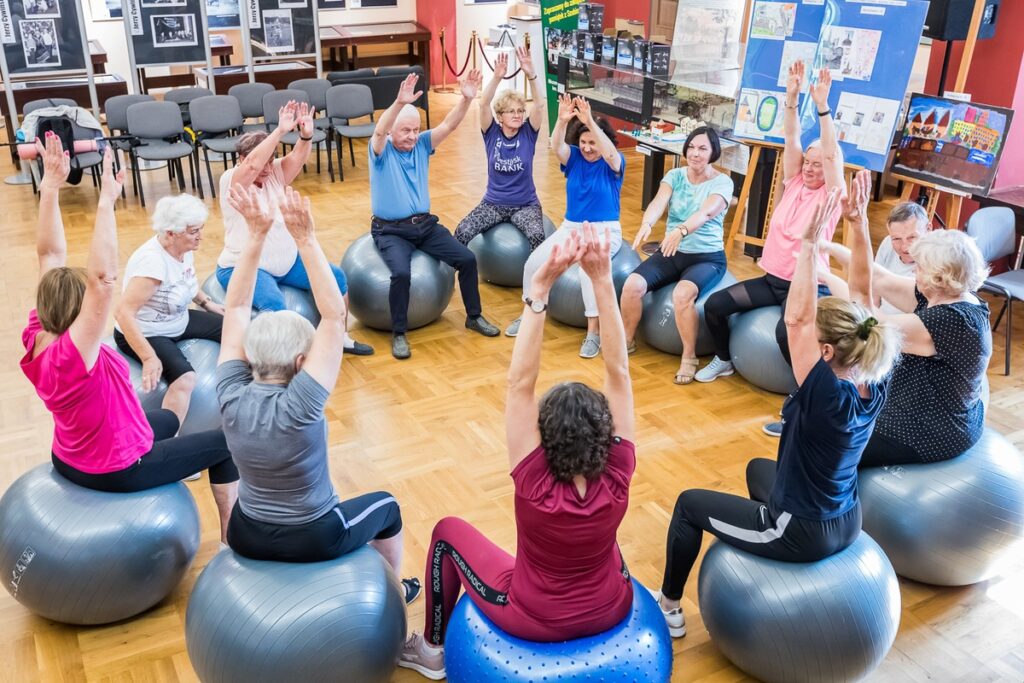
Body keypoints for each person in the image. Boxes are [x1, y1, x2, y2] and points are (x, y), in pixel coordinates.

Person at [652, 182, 900, 638]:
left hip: (801, 531)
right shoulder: (872, 377)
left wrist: (807, 246)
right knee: (755, 469)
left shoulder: (825, 393)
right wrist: (859, 223)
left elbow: (797, 318)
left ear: (825, 352)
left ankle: (668, 605)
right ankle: (759, 556)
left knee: (688, 505)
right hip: (847, 518)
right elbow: (864, 296)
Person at [398, 224, 636, 680]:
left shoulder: (535, 483)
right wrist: (601, 279)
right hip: (612, 605)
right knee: (606, 540)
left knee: (447, 531)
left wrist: (540, 287)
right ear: (606, 434)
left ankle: (430, 650)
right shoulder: (619, 473)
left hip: (534, 617)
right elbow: (618, 373)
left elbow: (520, 383)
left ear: (543, 437)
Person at [21, 134, 238, 541]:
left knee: (170, 418)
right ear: (78, 317)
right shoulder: (72, 355)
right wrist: (105, 201)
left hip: (70, 453)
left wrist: (50, 186)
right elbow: (103, 280)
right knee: (226, 445)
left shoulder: (38, 335)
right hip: (115, 465)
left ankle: (177, 448)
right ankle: (230, 542)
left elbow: (49, 256)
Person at [215, 184, 421, 603]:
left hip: (245, 531)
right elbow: (333, 314)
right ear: (299, 364)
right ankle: (395, 595)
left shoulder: (229, 392)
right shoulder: (302, 402)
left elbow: (236, 309)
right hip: (312, 535)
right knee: (388, 508)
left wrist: (254, 238)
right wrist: (305, 238)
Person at [696, 60, 845, 383]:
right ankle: (724, 359)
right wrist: (791, 98)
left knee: (784, 335)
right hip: (772, 280)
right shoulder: (793, 182)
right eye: (808, 162)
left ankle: (806, 392)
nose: (810, 168)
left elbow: (832, 154)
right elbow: (791, 139)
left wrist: (822, 108)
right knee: (716, 306)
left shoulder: (830, 197)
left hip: (805, 286)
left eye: (818, 165)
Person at [837, 176, 992, 468]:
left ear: (938, 276)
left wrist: (858, 226)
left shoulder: (951, 321)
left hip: (930, 430)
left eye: (920, 266)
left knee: (830, 443)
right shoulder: (950, 295)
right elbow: (878, 277)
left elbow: (865, 316)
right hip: (921, 405)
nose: (914, 270)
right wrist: (824, 246)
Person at [215, 101, 373, 356]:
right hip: (243, 266)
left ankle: (339, 338)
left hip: (286, 262)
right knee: (276, 304)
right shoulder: (232, 181)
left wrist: (305, 134)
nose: (267, 168)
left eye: (271, 160)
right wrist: (278, 131)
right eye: (263, 161)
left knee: (337, 278)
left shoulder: (274, 172)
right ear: (242, 159)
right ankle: (281, 361)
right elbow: (254, 166)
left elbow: (298, 156)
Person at [369, 71, 501, 360]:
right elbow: (379, 131)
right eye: (406, 131)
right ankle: (399, 333)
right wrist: (398, 103)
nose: (413, 136)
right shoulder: (380, 151)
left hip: (425, 226)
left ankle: (474, 316)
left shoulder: (422, 145)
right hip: (390, 230)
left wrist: (466, 99)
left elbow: (449, 125)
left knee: (467, 259)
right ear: (393, 131)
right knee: (401, 274)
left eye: (416, 130)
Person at [508, 94, 626, 360]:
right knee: (532, 263)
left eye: (592, 143)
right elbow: (555, 146)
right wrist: (562, 121)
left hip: (604, 230)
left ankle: (593, 332)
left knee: (587, 271)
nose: (587, 148)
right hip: (571, 228)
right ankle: (527, 314)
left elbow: (608, 151)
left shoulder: (613, 164)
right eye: (583, 142)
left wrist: (591, 123)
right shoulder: (573, 159)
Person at [619, 126, 734, 383]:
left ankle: (689, 356)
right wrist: (647, 223)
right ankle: (627, 340)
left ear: (713, 152)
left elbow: (706, 213)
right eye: (692, 147)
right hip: (672, 251)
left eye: (703, 148)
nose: (695, 153)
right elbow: (659, 201)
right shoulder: (675, 175)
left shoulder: (723, 182)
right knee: (632, 285)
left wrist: (681, 231)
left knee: (682, 294)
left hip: (707, 257)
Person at [115, 194, 223, 428]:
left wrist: (208, 304)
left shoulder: (183, 248)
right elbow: (123, 313)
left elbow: (186, 282)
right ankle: (169, 438)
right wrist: (148, 356)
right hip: (147, 331)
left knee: (234, 329)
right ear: (171, 233)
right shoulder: (152, 263)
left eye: (200, 229)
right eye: (194, 231)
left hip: (177, 320)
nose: (200, 236)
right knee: (185, 379)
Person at [454, 47, 546, 250]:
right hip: (493, 204)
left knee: (538, 237)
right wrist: (496, 77)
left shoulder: (528, 133)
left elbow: (539, 105)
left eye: (521, 110)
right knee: (462, 231)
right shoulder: (492, 133)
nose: (517, 115)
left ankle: (535, 281)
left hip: (526, 206)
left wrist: (531, 74)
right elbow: (484, 103)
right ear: (500, 116)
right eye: (511, 111)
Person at [824, 201, 929, 314]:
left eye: (912, 237)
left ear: (928, 229)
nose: (904, 247)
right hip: (880, 319)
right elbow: (874, 292)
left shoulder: (936, 264)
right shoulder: (887, 243)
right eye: (896, 239)